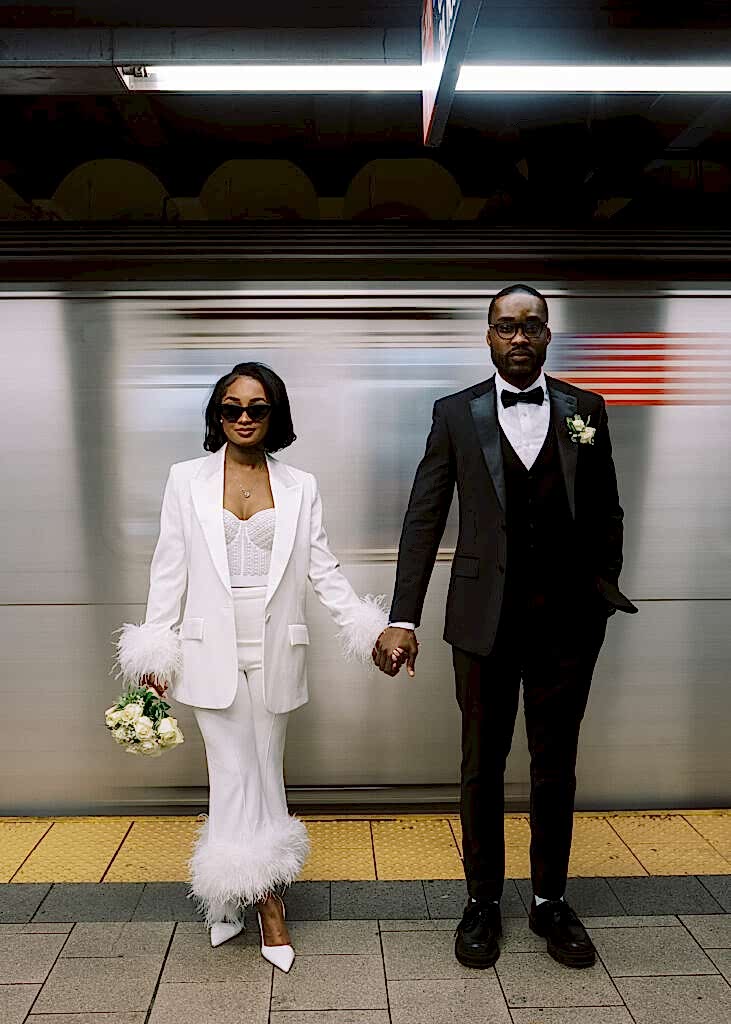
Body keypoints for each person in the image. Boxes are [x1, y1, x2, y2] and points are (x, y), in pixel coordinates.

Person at [373, 284, 637, 970]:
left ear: (547, 336)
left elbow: (607, 509)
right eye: (504, 327)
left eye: (530, 326)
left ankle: (550, 900)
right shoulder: (454, 414)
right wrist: (402, 615)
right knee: (479, 768)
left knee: (555, 767)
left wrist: (599, 591)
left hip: (567, 626)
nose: (517, 337)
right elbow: (422, 518)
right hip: (480, 624)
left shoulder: (586, 409)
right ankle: (481, 903)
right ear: (486, 337)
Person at [116, 362, 387, 971]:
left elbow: (324, 570)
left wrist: (368, 629)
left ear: (274, 416)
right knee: (233, 771)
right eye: (231, 407)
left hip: (275, 650)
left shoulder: (299, 485)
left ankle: (234, 898)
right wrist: (155, 646)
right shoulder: (185, 480)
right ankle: (262, 902)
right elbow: (169, 568)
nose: (242, 417)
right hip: (206, 647)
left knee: (262, 767)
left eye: (256, 408)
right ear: (217, 414)